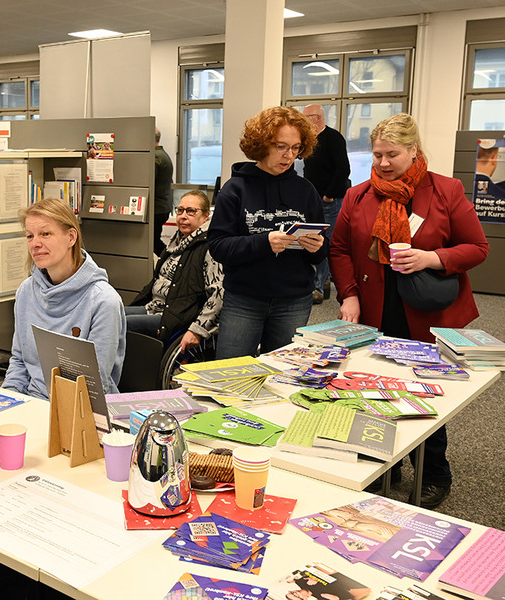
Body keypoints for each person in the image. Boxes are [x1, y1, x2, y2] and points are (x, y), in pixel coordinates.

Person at [329, 113, 489, 509]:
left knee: (424, 395)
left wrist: (432, 257)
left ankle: (434, 472)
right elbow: (341, 249)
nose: (383, 163)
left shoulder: (445, 190)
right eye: (377, 154)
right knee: (374, 391)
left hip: (429, 315)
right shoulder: (359, 195)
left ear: (414, 150)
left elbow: (477, 247)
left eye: (392, 154)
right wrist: (348, 295)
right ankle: (385, 465)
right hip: (375, 312)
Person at [208, 106, 327, 359]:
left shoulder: (306, 190)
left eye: (295, 148)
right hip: (244, 299)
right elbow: (218, 246)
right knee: (230, 376)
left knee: (283, 378)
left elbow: (322, 250)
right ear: (262, 144)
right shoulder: (236, 188)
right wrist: (264, 242)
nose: (289, 155)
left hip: (294, 300)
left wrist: (317, 247)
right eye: (281, 146)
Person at [3, 198, 126, 399]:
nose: (35, 243)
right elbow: (19, 362)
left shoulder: (104, 301)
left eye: (45, 234)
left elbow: (94, 388)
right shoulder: (26, 291)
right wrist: (9, 400)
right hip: (33, 403)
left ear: (71, 237)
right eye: (29, 236)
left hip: (80, 409)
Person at [127, 190, 223, 354]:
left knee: (119, 322)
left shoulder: (209, 248)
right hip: (155, 307)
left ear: (206, 216)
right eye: (180, 210)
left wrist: (197, 330)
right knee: (110, 312)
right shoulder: (177, 242)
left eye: (191, 211)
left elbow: (218, 294)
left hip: (176, 317)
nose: (183, 216)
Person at [302, 104, 351, 304]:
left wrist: (329, 195)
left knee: (323, 241)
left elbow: (343, 169)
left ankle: (319, 286)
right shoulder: (311, 141)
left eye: (306, 118)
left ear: (317, 118)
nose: (303, 122)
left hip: (329, 200)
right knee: (314, 239)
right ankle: (324, 280)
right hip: (313, 198)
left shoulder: (333, 138)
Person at [153, 127, 174, 256]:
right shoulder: (162, 154)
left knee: (154, 243)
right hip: (162, 207)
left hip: (156, 209)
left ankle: (169, 262)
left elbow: (148, 182)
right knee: (154, 241)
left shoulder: (155, 157)